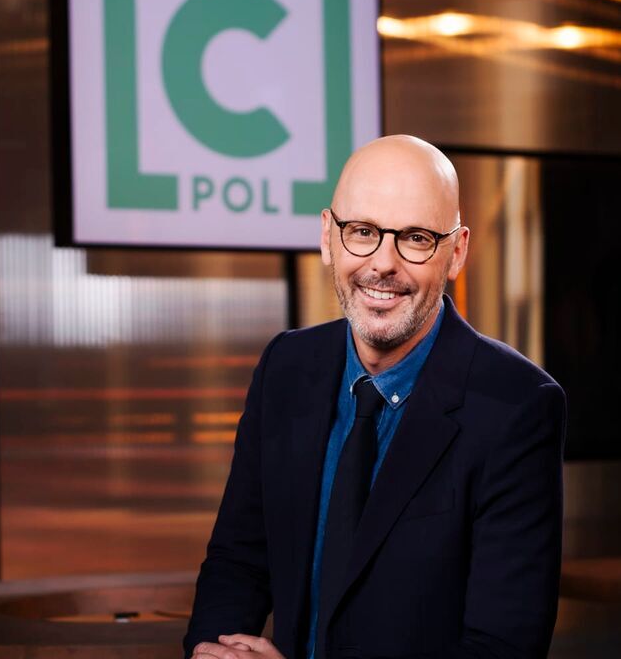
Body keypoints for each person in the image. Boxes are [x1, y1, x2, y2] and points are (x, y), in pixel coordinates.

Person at [184, 135, 567, 659]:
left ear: (456, 253)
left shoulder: (518, 406)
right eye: (362, 231)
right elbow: (238, 560)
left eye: (415, 238)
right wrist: (213, 652)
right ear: (328, 237)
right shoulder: (285, 367)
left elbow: (502, 647)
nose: (383, 263)